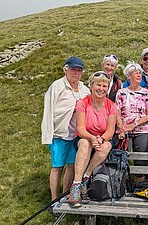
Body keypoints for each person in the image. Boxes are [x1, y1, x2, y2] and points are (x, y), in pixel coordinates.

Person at [41, 56, 90, 203]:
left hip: (76, 135)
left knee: (71, 166)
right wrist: (48, 134)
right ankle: (54, 199)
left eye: (79, 70)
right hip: (59, 133)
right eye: (73, 69)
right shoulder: (57, 86)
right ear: (66, 69)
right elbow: (48, 110)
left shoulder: (85, 89)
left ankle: (65, 195)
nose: (76, 73)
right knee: (57, 166)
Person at [68, 71, 117, 208]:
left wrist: (100, 139)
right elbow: (81, 128)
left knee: (106, 146)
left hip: (102, 138)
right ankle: (76, 187)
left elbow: (110, 131)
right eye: (98, 85)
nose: (101, 89)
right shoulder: (82, 103)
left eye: (104, 86)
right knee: (84, 144)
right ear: (91, 86)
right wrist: (91, 138)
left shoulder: (111, 106)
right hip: (85, 136)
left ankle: (86, 178)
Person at [115, 61, 148, 182]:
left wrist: (134, 125)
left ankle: (139, 188)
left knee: (141, 162)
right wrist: (121, 128)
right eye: (136, 73)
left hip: (142, 131)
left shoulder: (147, 93)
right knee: (121, 160)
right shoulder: (121, 92)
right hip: (124, 131)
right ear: (129, 76)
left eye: (140, 73)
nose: (139, 75)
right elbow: (117, 111)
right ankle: (121, 188)